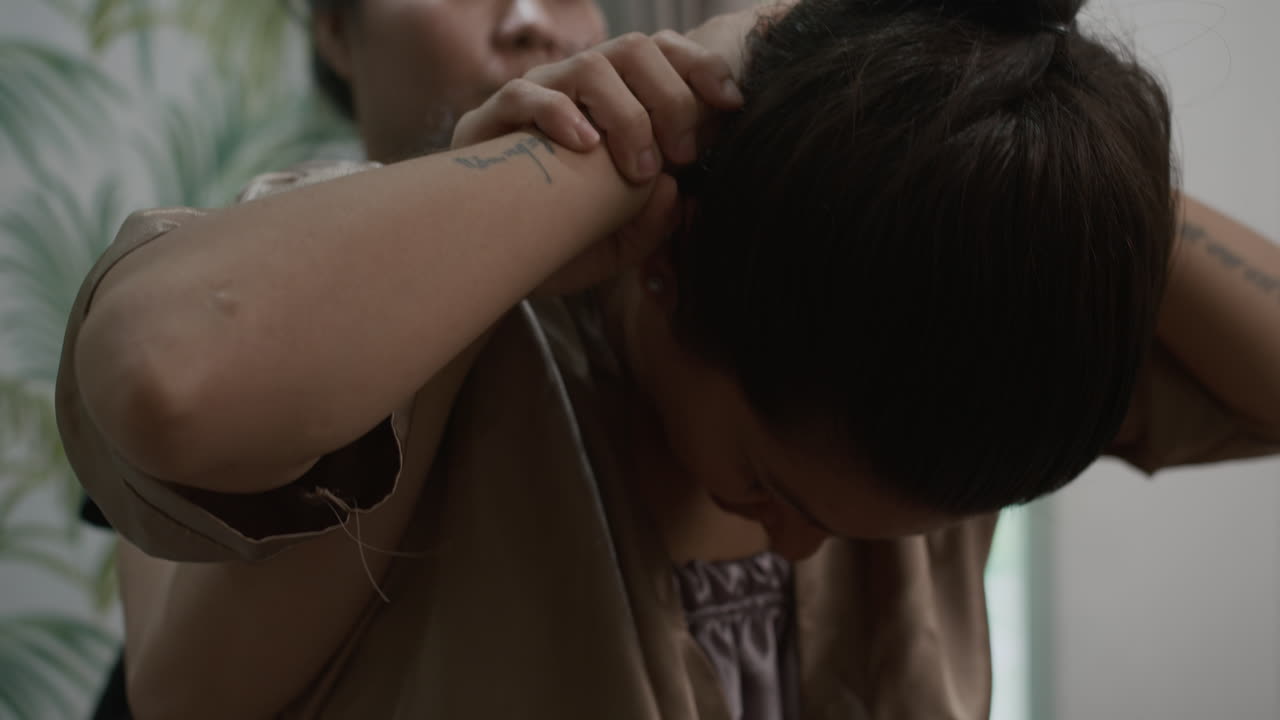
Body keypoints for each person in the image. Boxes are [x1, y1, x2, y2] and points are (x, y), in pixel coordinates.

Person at [58, 0, 1280, 718]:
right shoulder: (383, 347)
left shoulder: (899, 321)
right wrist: (598, 154)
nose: (799, 548)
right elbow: (175, 374)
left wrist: (1028, 130)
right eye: (778, 488)